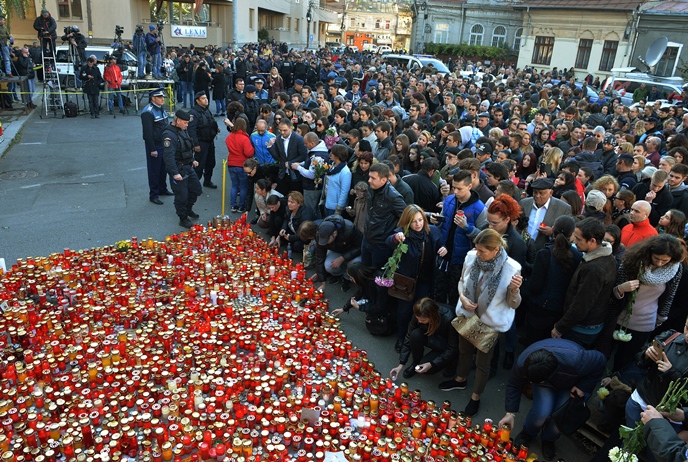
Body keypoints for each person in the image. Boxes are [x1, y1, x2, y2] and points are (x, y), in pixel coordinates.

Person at [439, 228, 522, 417]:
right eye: (476, 249)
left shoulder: (512, 268)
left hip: (489, 323)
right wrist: (462, 297)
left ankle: (475, 397)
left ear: (495, 250)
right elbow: (461, 281)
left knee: (483, 363)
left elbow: (513, 304)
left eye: (482, 251)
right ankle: (460, 380)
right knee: (464, 350)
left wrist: (515, 290)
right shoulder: (471, 257)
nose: (477, 254)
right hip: (468, 315)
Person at [498, 339, 606, 462]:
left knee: (558, 417)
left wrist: (583, 386)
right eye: (530, 381)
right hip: (544, 383)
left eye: (534, 382)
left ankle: (549, 439)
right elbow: (514, 384)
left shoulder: (578, 360)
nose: (531, 384)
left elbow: (601, 360)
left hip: (569, 384)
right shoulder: (525, 362)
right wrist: (510, 413)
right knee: (541, 412)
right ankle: (528, 433)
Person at [607, 234, 683, 371]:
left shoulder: (675, 270)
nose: (659, 263)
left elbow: (670, 296)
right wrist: (621, 289)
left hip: (644, 324)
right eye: (657, 258)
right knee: (605, 354)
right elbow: (612, 292)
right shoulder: (633, 261)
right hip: (618, 318)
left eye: (665, 261)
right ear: (649, 252)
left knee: (625, 362)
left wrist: (660, 318)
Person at [625, 320, 688, 462]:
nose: (687, 334)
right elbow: (639, 362)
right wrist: (646, 355)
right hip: (640, 402)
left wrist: (671, 373)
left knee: (656, 456)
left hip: (668, 418)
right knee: (628, 447)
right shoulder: (671, 336)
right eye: (687, 327)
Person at [552, 218, 617, 348]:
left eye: (578, 239)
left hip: (581, 329)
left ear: (592, 241)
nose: (574, 241)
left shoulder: (594, 269)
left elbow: (581, 305)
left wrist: (560, 327)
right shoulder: (607, 258)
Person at [386, 204, 444, 351]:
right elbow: (389, 240)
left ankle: (416, 338)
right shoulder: (402, 234)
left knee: (421, 310)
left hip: (424, 280)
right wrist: (396, 238)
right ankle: (401, 338)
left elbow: (441, 246)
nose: (418, 224)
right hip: (406, 280)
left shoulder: (432, 232)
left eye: (420, 220)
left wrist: (444, 249)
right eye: (414, 221)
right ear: (407, 222)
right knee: (404, 311)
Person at [523, 216, 582, 345]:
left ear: (553, 229)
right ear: (572, 234)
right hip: (560, 310)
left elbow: (535, 286)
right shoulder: (577, 255)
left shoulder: (544, 254)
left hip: (539, 309)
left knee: (533, 344)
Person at [433, 170, 487, 306]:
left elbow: (483, 238)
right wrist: (437, 221)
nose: (455, 192)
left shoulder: (480, 208)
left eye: (459, 188)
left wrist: (466, 227)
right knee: (438, 294)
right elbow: (442, 225)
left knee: (454, 297)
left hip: (462, 262)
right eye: (453, 187)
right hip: (443, 257)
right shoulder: (449, 200)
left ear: (469, 187)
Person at [389, 298, 459, 380]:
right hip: (432, 337)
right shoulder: (419, 312)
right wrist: (401, 364)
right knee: (415, 334)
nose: (419, 321)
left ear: (432, 316)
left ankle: (452, 362)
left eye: (423, 320)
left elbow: (452, 347)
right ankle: (415, 363)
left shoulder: (450, 318)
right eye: (417, 318)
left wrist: (432, 364)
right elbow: (408, 336)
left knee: (429, 369)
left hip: (446, 344)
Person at [161, 110, 203, 228]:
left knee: (196, 189)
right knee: (181, 196)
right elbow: (169, 157)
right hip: (179, 169)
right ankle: (183, 218)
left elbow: (187, 148)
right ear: (177, 121)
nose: (187, 125)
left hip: (188, 166)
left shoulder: (182, 130)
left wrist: (192, 160)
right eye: (185, 122)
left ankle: (188, 209)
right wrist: (174, 173)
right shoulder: (169, 136)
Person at [362, 163, 407, 269]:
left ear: (383, 180)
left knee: (376, 275)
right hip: (367, 238)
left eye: (373, 178)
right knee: (363, 271)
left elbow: (406, 217)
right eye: (369, 177)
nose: (369, 180)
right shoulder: (371, 188)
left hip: (381, 244)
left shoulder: (393, 197)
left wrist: (396, 235)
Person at [331, 261, 390, 336]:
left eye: (352, 278)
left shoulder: (377, 285)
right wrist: (344, 309)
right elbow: (358, 294)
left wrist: (360, 307)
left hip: (386, 311)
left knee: (374, 329)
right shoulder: (365, 279)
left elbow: (380, 308)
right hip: (376, 303)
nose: (351, 280)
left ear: (357, 277)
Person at [307, 214, 363, 291]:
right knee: (328, 265)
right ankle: (339, 274)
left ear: (334, 233)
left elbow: (360, 247)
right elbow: (319, 256)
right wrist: (322, 281)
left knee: (353, 264)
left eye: (327, 240)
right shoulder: (320, 234)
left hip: (353, 251)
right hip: (336, 250)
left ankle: (347, 278)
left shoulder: (349, 229)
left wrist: (342, 258)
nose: (325, 243)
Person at [520, 178, 573, 251]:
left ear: (550, 193)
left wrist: (553, 231)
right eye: (535, 192)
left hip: (543, 251)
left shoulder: (563, 208)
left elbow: (568, 232)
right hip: (522, 248)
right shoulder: (524, 203)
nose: (537, 196)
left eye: (541, 193)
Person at [188, 91, 220, 189]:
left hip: (209, 141)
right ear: (197, 101)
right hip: (201, 142)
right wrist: (195, 144)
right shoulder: (193, 113)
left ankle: (207, 181)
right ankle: (194, 185)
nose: (206, 100)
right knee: (199, 165)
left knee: (211, 163)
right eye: (203, 98)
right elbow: (191, 130)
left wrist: (215, 129)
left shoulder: (206, 110)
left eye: (206, 97)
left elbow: (210, 122)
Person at [268, 120, 308, 195]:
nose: (282, 132)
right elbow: (277, 157)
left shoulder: (299, 139)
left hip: (296, 175)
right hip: (283, 174)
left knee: (296, 198)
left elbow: (303, 156)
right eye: (280, 130)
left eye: (285, 130)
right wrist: (270, 146)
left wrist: (290, 163)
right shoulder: (278, 139)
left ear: (291, 128)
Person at [226, 117, 255, 213]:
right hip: (242, 165)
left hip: (231, 164)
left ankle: (233, 205)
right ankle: (241, 206)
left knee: (234, 185)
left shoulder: (229, 137)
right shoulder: (244, 138)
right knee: (243, 186)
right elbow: (248, 153)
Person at [279, 191, 315, 257]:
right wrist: (283, 228)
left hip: (303, 235)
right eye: (288, 201)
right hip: (293, 230)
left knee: (297, 245)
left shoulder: (305, 214)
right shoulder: (289, 209)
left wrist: (291, 237)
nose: (289, 204)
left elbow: (303, 232)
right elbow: (286, 219)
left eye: (292, 202)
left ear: (299, 204)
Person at [323, 144, 352, 217]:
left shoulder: (345, 172)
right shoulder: (331, 166)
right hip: (327, 203)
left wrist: (339, 208)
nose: (330, 154)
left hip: (335, 207)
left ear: (336, 155)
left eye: (332, 153)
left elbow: (344, 192)